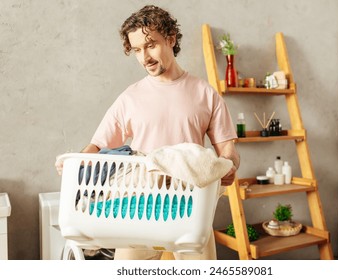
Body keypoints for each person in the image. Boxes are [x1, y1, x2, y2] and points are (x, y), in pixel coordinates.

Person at [56, 4, 240, 260]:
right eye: (137, 50)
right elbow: (96, 146)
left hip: (191, 207)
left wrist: (229, 166)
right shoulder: (130, 97)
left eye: (151, 44)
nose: (145, 57)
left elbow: (227, 150)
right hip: (140, 208)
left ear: (171, 38)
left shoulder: (205, 93)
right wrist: (76, 166)